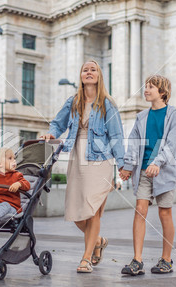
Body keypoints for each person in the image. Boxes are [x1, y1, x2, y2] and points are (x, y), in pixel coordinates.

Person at [40, 60, 125, 273]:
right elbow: (58, 123)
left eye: (93, 69)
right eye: (85, 69)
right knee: (77, 213)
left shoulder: (107, 104)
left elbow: (116, 136)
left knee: (92, 210)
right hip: (78, 157)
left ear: (99, 76)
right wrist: (52, 134)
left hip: (100, 159)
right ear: (81, 76)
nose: (89, 72)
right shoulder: (74, 101)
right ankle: (97, 241)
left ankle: (86, 259)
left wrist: (123, 165)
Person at [119, 74, 176, 275]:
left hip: (165, 171)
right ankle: (137, 260)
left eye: (150, 87)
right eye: (145, 86)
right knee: (140, 210)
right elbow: (133, 143)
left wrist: (157, 162)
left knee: (165, 213)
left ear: (162, 92)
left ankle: (166, 259)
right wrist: (128, 166)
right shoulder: (141, 117)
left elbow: (173, 144)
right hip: (144, 171)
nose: (145, 90)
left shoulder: (173, 115)